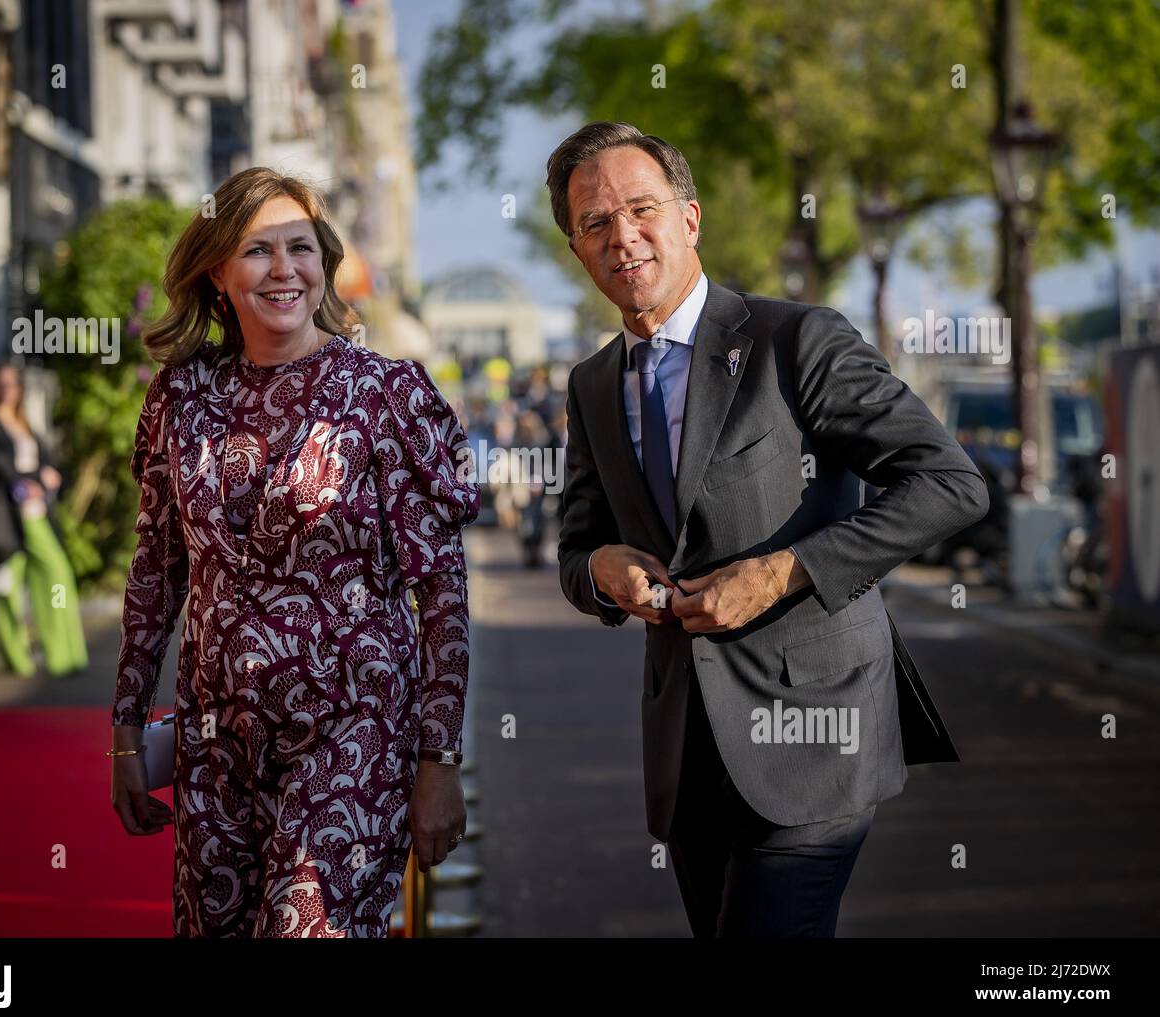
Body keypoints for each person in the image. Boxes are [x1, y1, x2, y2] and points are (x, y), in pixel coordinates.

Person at [550, 122, 988, 938]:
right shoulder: (591, 385)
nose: (623, 236)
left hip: (817, 732)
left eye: (641, 209)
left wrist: (785, 570)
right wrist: (601, 570)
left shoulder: (796, 339)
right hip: (686, 756)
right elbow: (576, 548)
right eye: (595, 223)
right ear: (575, 248)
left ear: (690, 218)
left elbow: (949, 484)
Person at [108, 166, 480, 938]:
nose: (284, 270)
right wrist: (125, 730)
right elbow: (156, 572)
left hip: (354, 731)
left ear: (325, 263)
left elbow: (441, 593)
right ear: (217, 271)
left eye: (300, 248)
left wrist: (438, 761)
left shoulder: (385, 394)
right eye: (257, 250)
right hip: (216, 741)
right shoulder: (181, 397)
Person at [0, 364, 89, 678]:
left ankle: (63, 655)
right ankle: (18, 659)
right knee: (7, 588)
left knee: (57, 578)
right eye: (1, 383)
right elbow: (0, 470)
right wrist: (31, 481)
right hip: (8, 520)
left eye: (12, 383)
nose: (7, 389)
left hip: (37, 514)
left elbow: (46, 461)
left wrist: (47, 476)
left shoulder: (25, 423)